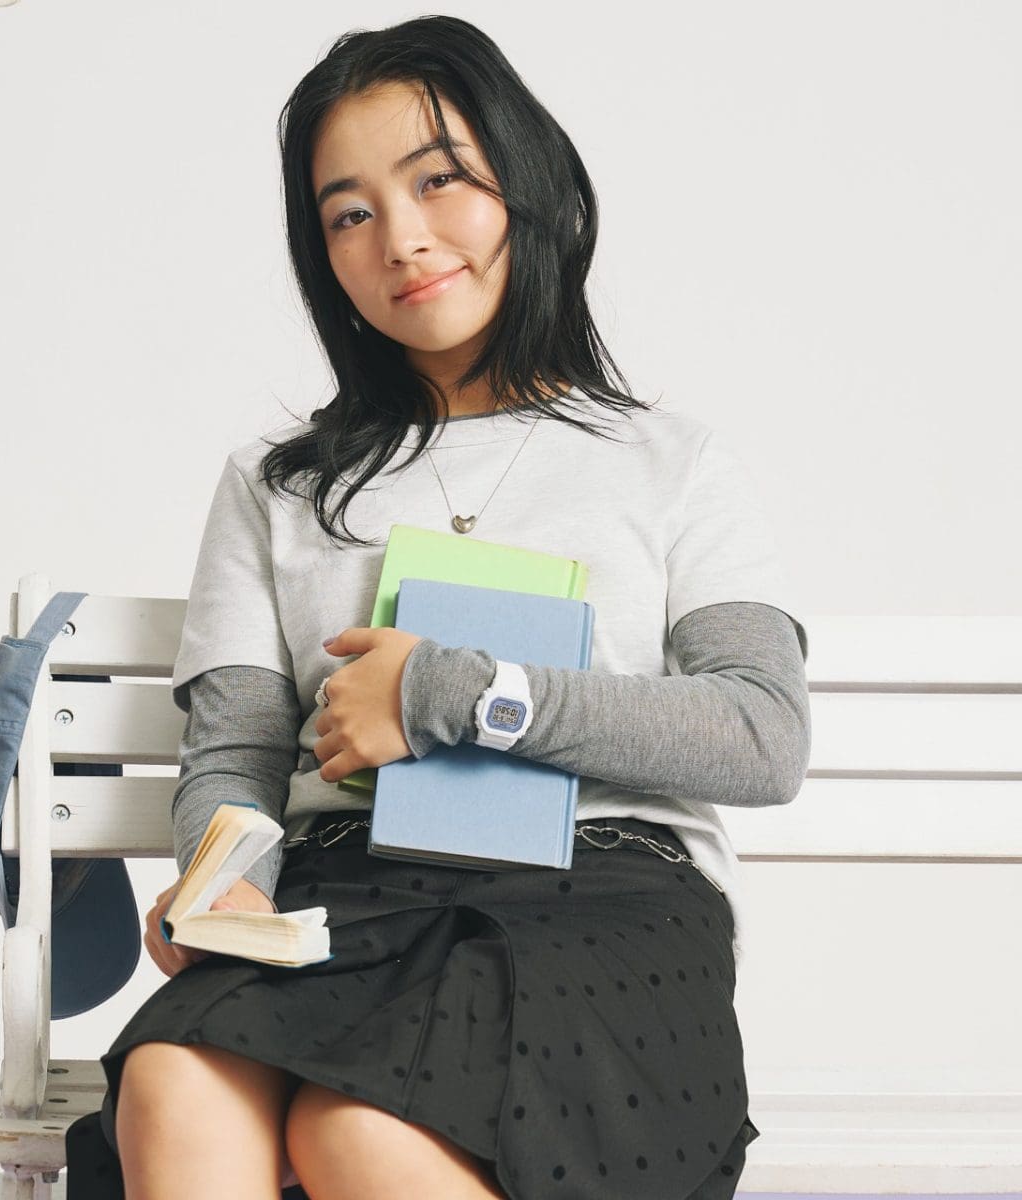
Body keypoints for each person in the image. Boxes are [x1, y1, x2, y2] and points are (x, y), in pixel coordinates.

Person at [74, 14, 811, 1200]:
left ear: (525, 183)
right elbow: (238, 755)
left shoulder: (670, 463)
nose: (402, 240)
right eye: (350, 212)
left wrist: (455, 695)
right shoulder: (277, 486)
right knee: (172, 1081)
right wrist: (225, 877)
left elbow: (762, 735)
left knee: (360, 1130)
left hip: (605, 897)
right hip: (343, 891)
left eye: (439, 180)